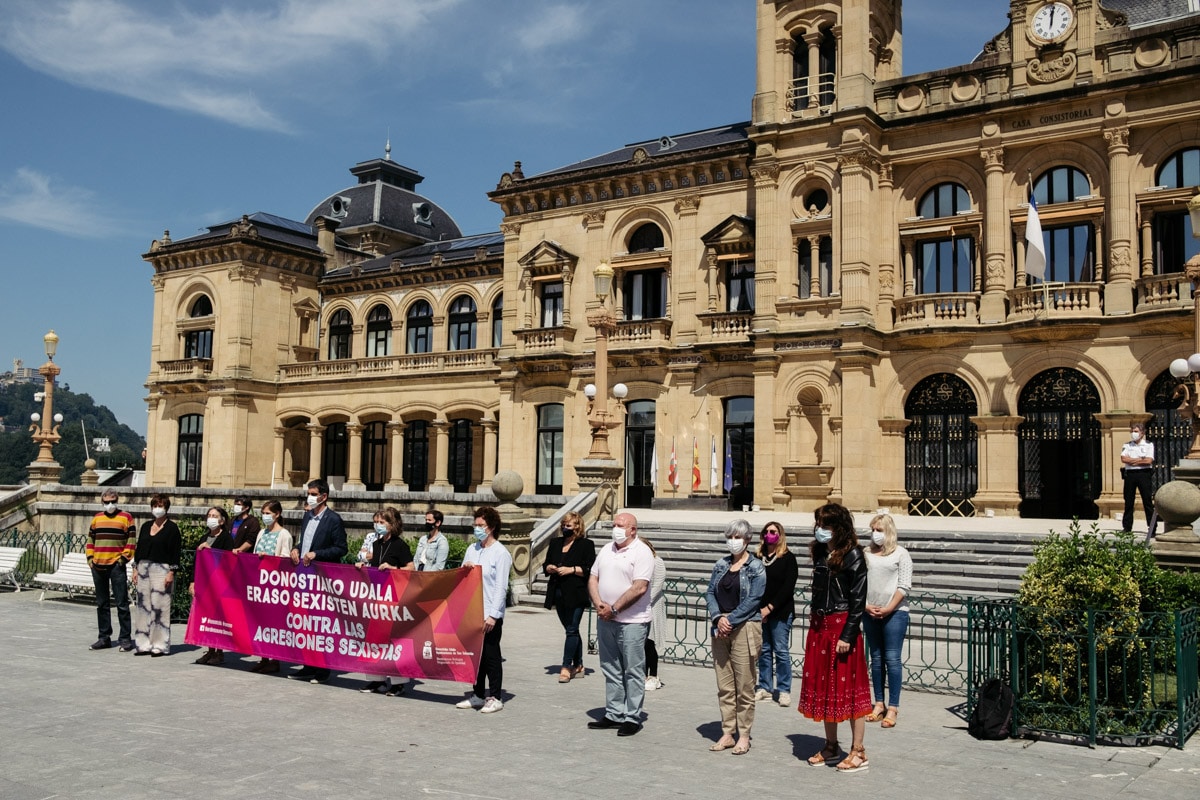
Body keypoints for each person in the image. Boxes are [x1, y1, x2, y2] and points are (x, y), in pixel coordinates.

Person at [798, 503, 872, 773]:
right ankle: (831, 745)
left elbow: (858, 600)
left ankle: (858, 750)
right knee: (825, 688)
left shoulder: (853, 555)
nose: (820, 530)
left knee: (849, 691)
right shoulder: (821, 552)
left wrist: (848, 635)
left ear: (839, 527)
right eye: (818, 524)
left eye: (826, 525)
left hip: (841, 627)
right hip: (820, 626)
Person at [586, 511, 654, 737]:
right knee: (611, 667)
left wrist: (614, 609)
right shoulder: (607, 549)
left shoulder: (642, 552)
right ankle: (614, 712)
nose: (615, 528)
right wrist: (599, 604)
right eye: (614, 524)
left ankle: (632, 716)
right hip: (606, 619)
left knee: (633, 670)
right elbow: (593, 577)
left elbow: (639, 587)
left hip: (632, 621)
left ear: (632, 529)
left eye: (620, 525)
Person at [704, 519, 766, 755]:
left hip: (744, 627)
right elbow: (710, 592)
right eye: (729, 537)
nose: (733, 541)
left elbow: (754, 599)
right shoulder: (721, 564)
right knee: (725, 685)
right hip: (720, 628)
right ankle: (728, 732)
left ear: (747, 540)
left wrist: (730, 619)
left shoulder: (755, 567)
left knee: (745, 685)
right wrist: (717, 617)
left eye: (737, 537)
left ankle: (744, 735)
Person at [287, 479, 348, 684]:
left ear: (324, 496)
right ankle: (308, 665)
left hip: (322, 578)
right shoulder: (307, 516)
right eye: (309, 493)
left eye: (313, 494)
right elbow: (305, 542)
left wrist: (317, 554)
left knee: (320, 624)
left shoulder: (333, 519)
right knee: (305, 622)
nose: (310, 497)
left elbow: (341, 548)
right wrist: (296, 549)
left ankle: (322, 669)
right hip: (304, 576)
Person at [456, 506, 511, 713]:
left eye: (481, 525)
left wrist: (494, 615)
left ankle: (495, 696)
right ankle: (478, 694)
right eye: (476, 525)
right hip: (473, 610)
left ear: (492, 527)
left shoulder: (500, 553)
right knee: (475, 656)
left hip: (489, 611)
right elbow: (461, 577)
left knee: (491, 655)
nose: (477, 528)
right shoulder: (472, 549)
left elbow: (501, 586)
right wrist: (465, 569)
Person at [863, 513, 913, 729]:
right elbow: (858, 582)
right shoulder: (865, 553)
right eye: (873, 530)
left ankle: (893, 707)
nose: (875, 534)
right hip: (870, 611)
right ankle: (878, 703)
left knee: (892, 658)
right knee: (876, 658)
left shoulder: (901, 554)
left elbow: (904, 585)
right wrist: (866, 606)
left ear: (889, 531)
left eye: (880, 530)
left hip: (895, 612)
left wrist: (889, 608)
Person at [358, 507, 415, 696]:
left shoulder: (400, 545)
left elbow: (411, 568)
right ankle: (377, 680)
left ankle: (398, 683)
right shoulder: (376, 545)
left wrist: (394, 568)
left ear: (392, 524)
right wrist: (363, 566)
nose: (378, 525)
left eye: (382, 522)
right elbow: (375, 567)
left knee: (394, 641)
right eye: (376, 522)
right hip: (376, 597)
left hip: (394, 598)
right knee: (374, 639)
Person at [543, 511, 596, 682]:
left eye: (568, 525)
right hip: (558, 591)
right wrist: (549, 567)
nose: (565, 528)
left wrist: (571, 570)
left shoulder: (586, 544)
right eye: (563, 525)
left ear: (577, 526)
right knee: (570, 630)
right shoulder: (555, 543)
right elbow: (546, 563)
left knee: (572, 629)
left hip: (576, 592)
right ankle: (579, 664)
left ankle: (566, 667)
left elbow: (589, 568)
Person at [131, 493, 181, 657]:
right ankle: (143, 644)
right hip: (144, 567)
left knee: (160, 607)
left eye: (160, 506)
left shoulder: (172, 528)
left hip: (162, 569)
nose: (157, 509)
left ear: (166, 508)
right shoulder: (146, 526)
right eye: (154, 506)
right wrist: (135, 568)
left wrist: (171, 572)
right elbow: (139, 548)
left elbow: (175, 552)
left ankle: (159, 644)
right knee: (143, 606)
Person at [86, 489, 137, 651]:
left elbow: (131, 541)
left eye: (113, 501)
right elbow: (90, 539)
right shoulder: (97, 518)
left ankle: (125, 639)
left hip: (116, 565)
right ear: (102, 502)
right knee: (102, 604)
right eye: (107, 502)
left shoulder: (126, 517)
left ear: (117, 501)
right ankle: (104, 637)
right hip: (98, 565)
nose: (110, 504)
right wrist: (90, 559)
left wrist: (123, 559)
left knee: (122, 603)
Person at [755, 520, 798, 707]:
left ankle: (783, 689)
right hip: (760, 611)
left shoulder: (788, 558)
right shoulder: (757, 557)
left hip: (780, 611)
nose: (769, 534)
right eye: (766, 531)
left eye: (773, 531)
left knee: (780, 651)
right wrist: (759, 609)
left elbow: (788, 587)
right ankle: (764, 686)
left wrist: (769, 608)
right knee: (764, 650)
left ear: (780, 535)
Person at [250, 500, 293, 674]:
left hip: (274, 585)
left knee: (273, 623)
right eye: (263, 513)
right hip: (260, 584)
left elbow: (285, 559)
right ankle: (263, 657)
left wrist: (269, 558)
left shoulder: (284, 535)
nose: (265, 516)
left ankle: (274, 659)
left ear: (277, 514)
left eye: (268, 513)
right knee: (261, 622)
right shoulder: (262, 532)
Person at [191, 506, 235, 665]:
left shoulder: (226, 538)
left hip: (219, 584)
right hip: (204, 583)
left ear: (222, 521)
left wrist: (211, 552)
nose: (211, 518)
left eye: (215, 516)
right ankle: (210, 650)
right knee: (207, 618)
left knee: (218, 618)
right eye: (209, 515)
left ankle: (219, 652)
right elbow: (196, 561)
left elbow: (228, 561)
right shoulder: (204, 537)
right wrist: (193, 581)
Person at [1121, 422, 1155, 535]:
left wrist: (1133, 461)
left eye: (1136, 431)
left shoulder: (1148, 445)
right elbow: (1124, 459)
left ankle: (1152, 527)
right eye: (1132, 431)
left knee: (1147, 501)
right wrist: (1140, 460)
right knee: (1128, 501)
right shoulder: (1127, 445)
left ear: (1142, 433)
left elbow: (1149, 461)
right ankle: (1127, 527)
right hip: (1130, 475)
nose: (1133, 433)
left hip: (1144, 474)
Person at [643, 538, 667, 692]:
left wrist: (644, 601)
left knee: (650, 641)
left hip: (653, 605)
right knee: (640, 642)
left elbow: (658, 583)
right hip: (637, 606)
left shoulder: (657, 561)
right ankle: (642, 674)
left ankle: (653, 675)